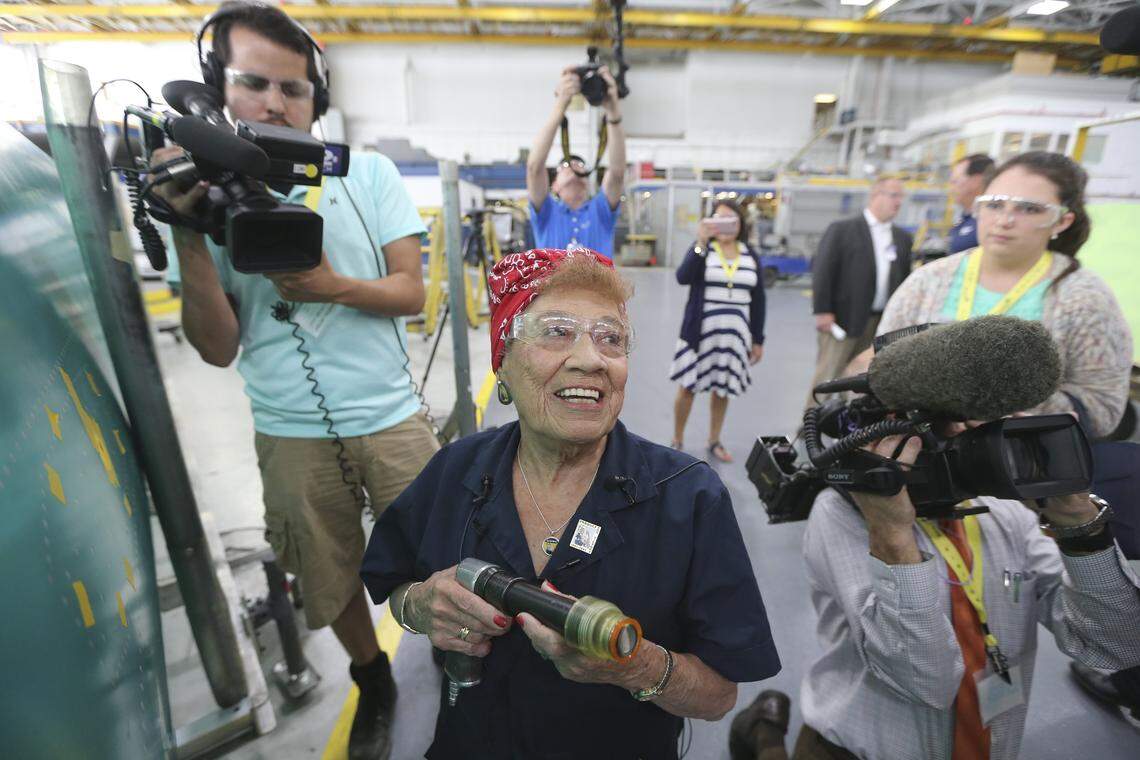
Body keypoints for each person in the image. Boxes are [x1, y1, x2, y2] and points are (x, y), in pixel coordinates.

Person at [154, 4, 440, 756]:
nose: (277, 103)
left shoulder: (367, 175)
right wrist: (188, 233)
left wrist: (331, 285)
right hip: (289, 431)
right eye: (255, 84)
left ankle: (456, 654)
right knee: (329, 574)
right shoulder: (203, 197)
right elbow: (216, 347)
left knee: (441, 553)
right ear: (219, 91)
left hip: (391, 419)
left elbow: (411, 292)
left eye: (295, 90)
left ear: (317, 100)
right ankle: (372, 677)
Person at [360, 249, 781, 759]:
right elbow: (396, 585)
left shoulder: (687, 498)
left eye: (611, 338)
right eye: (556, 331)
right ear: (504, 363)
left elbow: (718, 697)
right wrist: (420, 607)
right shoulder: (456, 471)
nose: (591, 359)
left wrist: (634, 665)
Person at [732, 427, 1140, 760]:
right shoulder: (842, 511)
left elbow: (1116, 647)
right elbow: (926, 682)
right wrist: (892, 537)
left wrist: (1082, 530)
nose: (964, 429)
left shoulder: (1007, 512)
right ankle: (764, 734)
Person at [874, 151, 1132, 439]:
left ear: (1061, 221)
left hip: (1023, 466)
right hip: (924, 457)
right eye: (995, 205)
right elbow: (881, 364)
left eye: (1030, 209)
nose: (1005, 220)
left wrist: (1008, 402)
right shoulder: (928, 281)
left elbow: (1102, 409)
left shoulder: (1085, 298)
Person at [668, 199, 767, 462]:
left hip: (733, 336)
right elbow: (683, 277)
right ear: (710, 223)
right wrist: (700, 242)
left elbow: (758, 300)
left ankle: (714, 440)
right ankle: (676, 439)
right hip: (699, 333)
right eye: (719, 219)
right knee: (688, 387)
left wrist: (757, 339)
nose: (725, 226)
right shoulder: (704, 249)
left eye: (731, 220)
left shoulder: (749, 254)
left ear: (740, 224)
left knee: (722, 389)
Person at [808, 176, 912, 407]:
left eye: (901, 197)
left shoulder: (902, 238)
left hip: (881, 322)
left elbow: (905, 280)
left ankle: (851, 428)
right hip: (843, 320)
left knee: (864, 377)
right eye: (894, 195)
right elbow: (823, 270)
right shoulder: (842, 230)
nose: (899, 202)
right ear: (876, 195)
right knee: (828, 374)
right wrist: (823, 310)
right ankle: (807, 429)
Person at [526, 66, 626, 257]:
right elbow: (534, 168)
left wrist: (613, 111)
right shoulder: (545, 213)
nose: (574, 167)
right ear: (553, 185)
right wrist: (561, 105)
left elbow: (617, 173)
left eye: (581, 165)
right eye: (566, 166)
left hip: (599, 289)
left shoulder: (600, 211)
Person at [947, 154, 996, 254]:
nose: (951, 186)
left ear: (977, 180)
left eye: (955, 180)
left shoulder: (992, 222)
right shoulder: (965, 219)